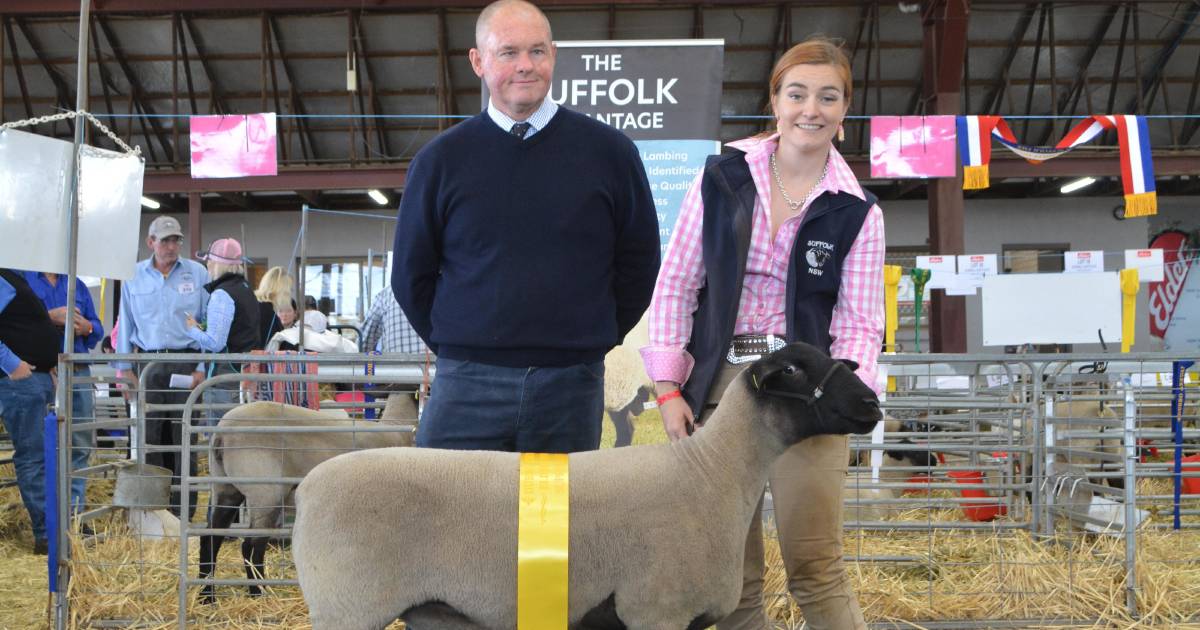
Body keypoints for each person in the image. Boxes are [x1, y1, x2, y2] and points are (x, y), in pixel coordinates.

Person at [641, 37, 884, 630]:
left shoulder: (859, 211)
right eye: (797, 93)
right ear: (775, 100)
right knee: (732, 577)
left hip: (810, 397)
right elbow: (677, 282)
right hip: (721, 393)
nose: (812, 109)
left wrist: (841, 397)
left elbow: (859, 323)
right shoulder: (723, 178)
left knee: (816, 568)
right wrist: (670, 390)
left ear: (844, 111)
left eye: (828, 97)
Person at [392, 0, 659, 454]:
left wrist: (590, 340)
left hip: (570, 385)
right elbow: (410, 275)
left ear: (553, 55)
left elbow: (639, 262)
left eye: (537, 51)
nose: (525, 66)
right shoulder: (439, 162)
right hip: (466, 384)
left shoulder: (610, 154)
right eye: (508, 52)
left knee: (554, 524)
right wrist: (459, 343)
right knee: (458, 517)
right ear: (478, 61)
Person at [115, 215, 209, 519]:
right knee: (151, 439)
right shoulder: (133, 275)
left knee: (184, 439)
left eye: (176, 240)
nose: (171, 246)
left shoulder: (198, 274)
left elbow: (208, 322)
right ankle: (153, 513)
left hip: (186, 361)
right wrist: (124, 369)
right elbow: (126, 321)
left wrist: (203, 367)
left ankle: (183, 514)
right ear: (150, 242)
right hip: (149, 365)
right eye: (165, 240)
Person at [23, 270, 104, 516]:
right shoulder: (25, 280)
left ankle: (73, 516)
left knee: (78, 444)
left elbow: (98, 329)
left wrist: (87, 327)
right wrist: (50, 317)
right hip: (42, 371)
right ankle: (47, 521)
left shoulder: (77, 284)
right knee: (40, 447)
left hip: (78, 370)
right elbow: (17, 325)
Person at [0, 269, 62, 554]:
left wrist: (45, 360)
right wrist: (13, 364)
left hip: (34, 379)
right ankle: (47, 533)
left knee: (42, 455)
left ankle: (52, 528)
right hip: (20, 382)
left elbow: (23, 324)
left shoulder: (12, 276)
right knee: (34, 456)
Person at [184, 238, 262, 426]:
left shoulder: (222, 294)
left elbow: (215, 343)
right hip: (245, 374)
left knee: (221, 439)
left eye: (210, 260)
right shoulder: (245, 289)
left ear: (218, 263)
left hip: (225, 379)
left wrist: (192, 329)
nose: (208, 264)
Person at [360, 287, 427, 354]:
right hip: (433, 362)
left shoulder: (386, 294)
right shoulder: (435, 289)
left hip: (395, 362)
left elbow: (364, 342)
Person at [253, 266, 294, 345]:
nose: (290, 294)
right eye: (289, 290)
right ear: (281, 290)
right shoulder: (266, 311)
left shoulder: (259, 306)